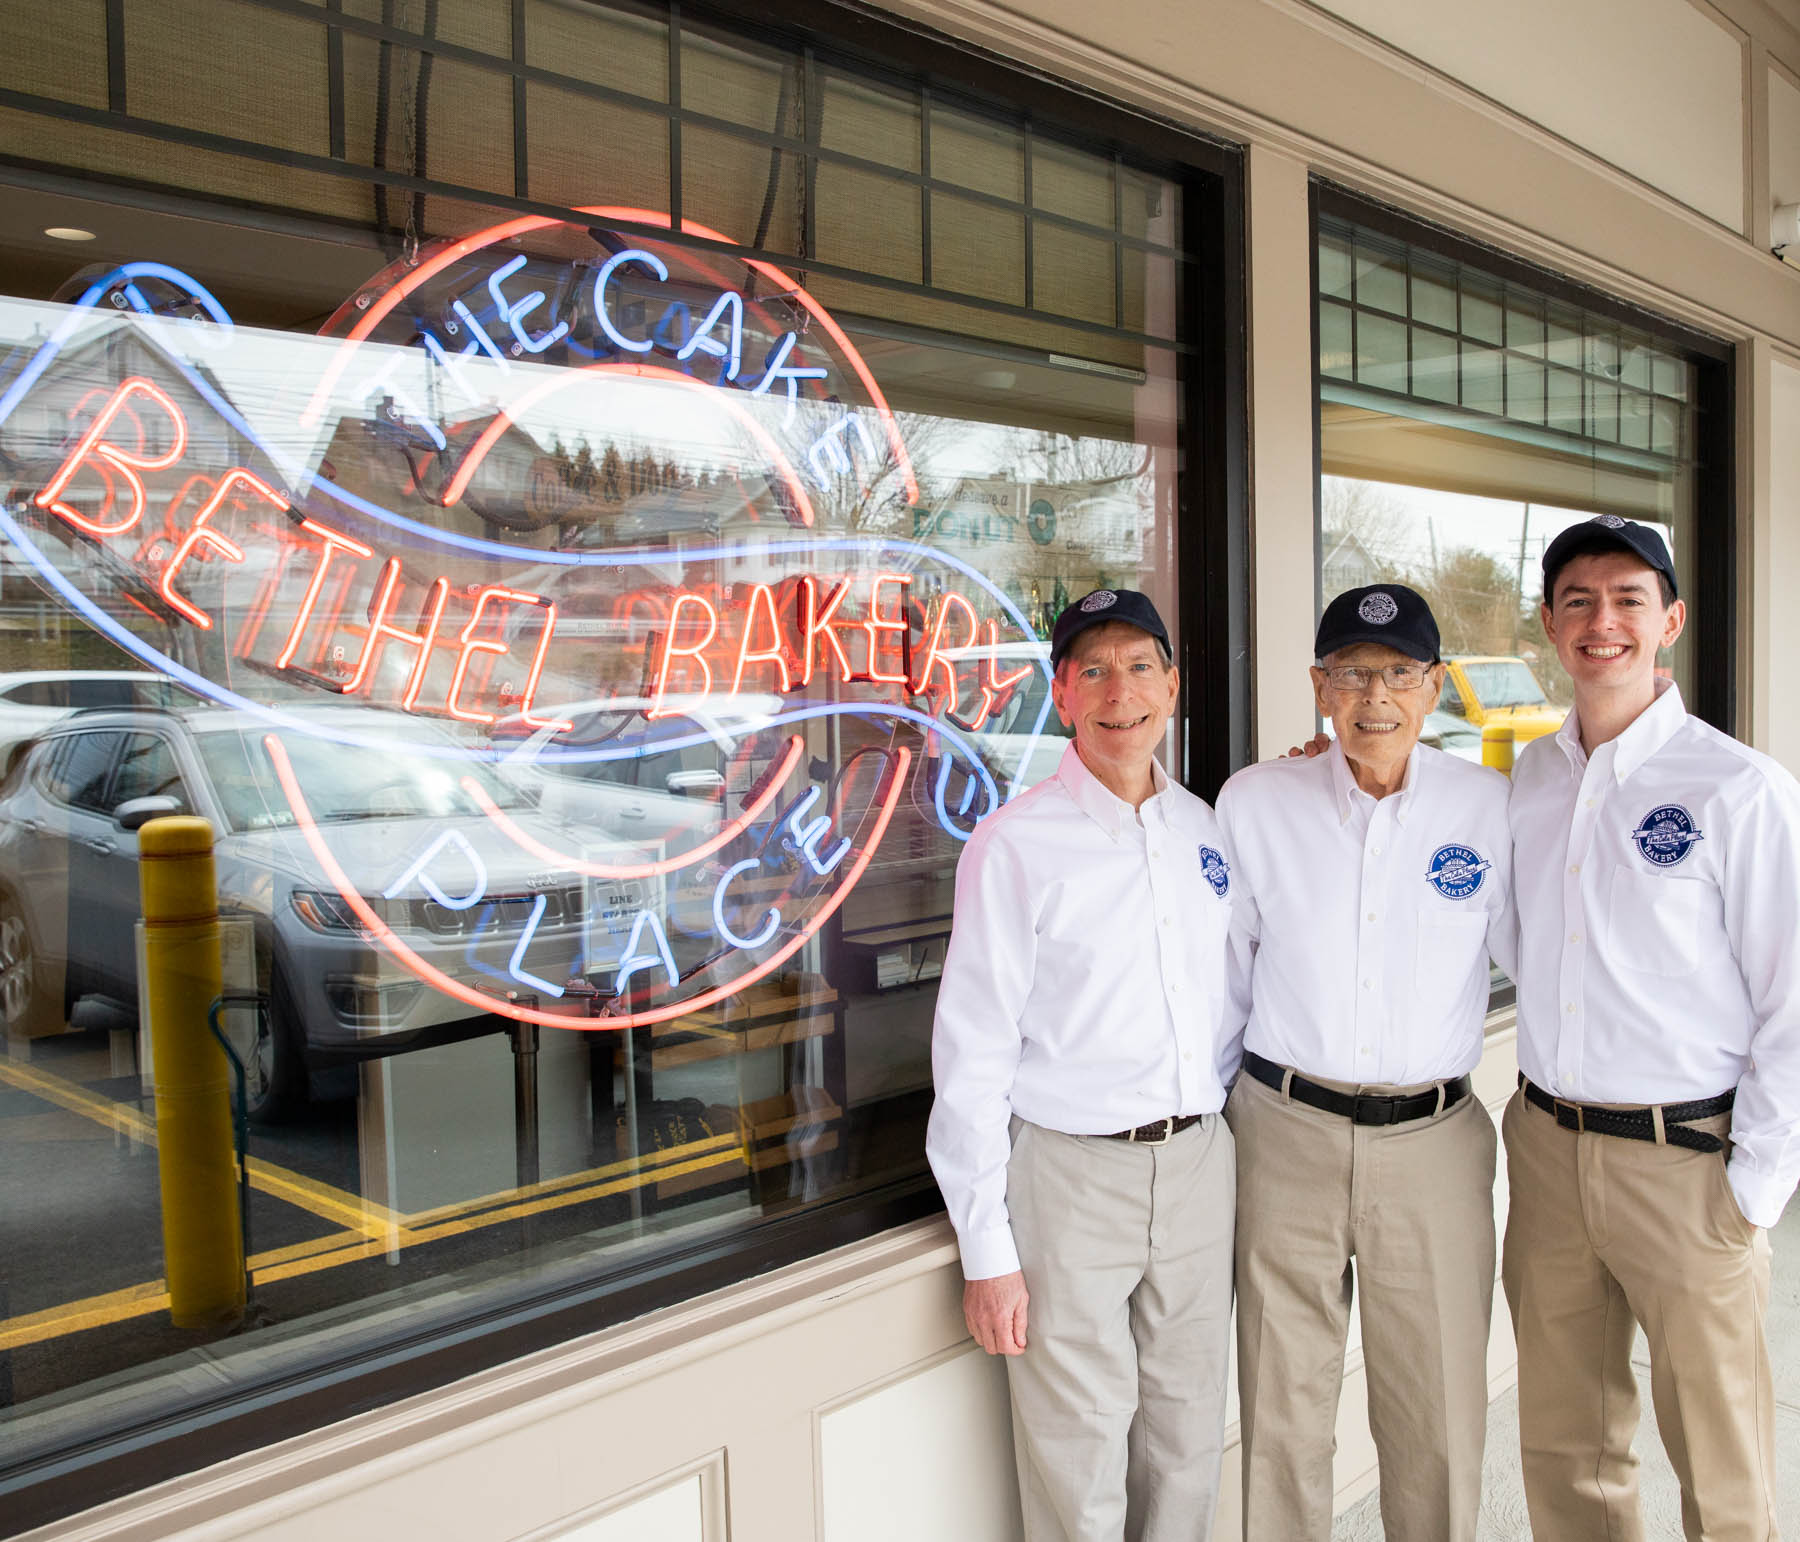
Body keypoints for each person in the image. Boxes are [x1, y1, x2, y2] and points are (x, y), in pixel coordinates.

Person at [1504, 515, 1800, 1538]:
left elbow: (1794, 1002)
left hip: (1689, 1166)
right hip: (1545, 1155)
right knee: (1567, 1450)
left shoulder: (1742, 791)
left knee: (1720, 1467)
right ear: (1549, 623)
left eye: (1630, 599)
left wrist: (1751, 1188)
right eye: (1578, 599)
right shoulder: (1528, 782)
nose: (1603, 621)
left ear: (1670, 620)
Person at [926, 587, 1239, 1542]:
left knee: (1189, 1431)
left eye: (1141, 666)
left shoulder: (1206, 829)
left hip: (1197, 1164)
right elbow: (972, 1050)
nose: (1120, 691)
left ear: (1173, 686)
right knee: (1078, 1444)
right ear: (1062, 694)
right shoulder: (1014, 844)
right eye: (1093, 670)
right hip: (1070, 1175)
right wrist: (987, 1248)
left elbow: (1234, 994)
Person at [1216, 583, 1513, 1542]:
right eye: (1350, 673)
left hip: (1434, 1143)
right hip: (1281, 1133)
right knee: (1281, 1410)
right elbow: (1222, 977)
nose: (1373, 697)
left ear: (1434, 689)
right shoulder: (1256, 802)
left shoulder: (1489, 810)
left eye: (1397, 674)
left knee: (1435, 1410)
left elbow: (1551, 958)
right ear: (1319, 685)